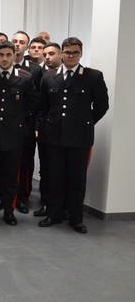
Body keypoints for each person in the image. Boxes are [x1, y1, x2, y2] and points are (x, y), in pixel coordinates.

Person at [38, 37, 109, 233]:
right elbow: (44, 107)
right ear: (61, 53)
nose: (71, 56)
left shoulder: (92, 76)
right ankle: (53, 214)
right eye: (67, 52)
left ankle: (76, 218)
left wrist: (84, 123)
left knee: (77, 179)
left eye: (75, 52)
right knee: (55, 176)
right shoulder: (49, 77)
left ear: (81, 54)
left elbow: (102, 106)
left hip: (80, 137)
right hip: (54, 135)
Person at [0, 41, 38, 226]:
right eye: (1, 55)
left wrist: (22, 126)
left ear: (15, 56)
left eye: (8, 55)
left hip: (13, 137)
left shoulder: (25, 78)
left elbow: (33, 105)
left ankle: (9, 212)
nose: (4, 59)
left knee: (11, 178)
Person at [12, 31, 43, 214]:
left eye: (21, 42)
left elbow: (39, 100)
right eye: (14, 41)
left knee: (25, 164)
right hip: (5, 125)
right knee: (5, 163)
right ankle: (4, 195)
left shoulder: (35, 70)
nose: (17, 45)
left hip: (25, 125)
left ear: (27, 46)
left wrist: (34, 124)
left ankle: (22, 197)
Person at [33, 42, 63, 217]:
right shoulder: (43, 75)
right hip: (46, 129)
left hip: (67, 131)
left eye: (51, 54)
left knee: (62, 171)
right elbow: (40, 105)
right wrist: (38, 126)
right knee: (46, 169)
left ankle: (62, 207)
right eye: (45, 55)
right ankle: (46, 204)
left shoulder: (74, 76)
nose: (47, 57)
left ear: (60, 55)